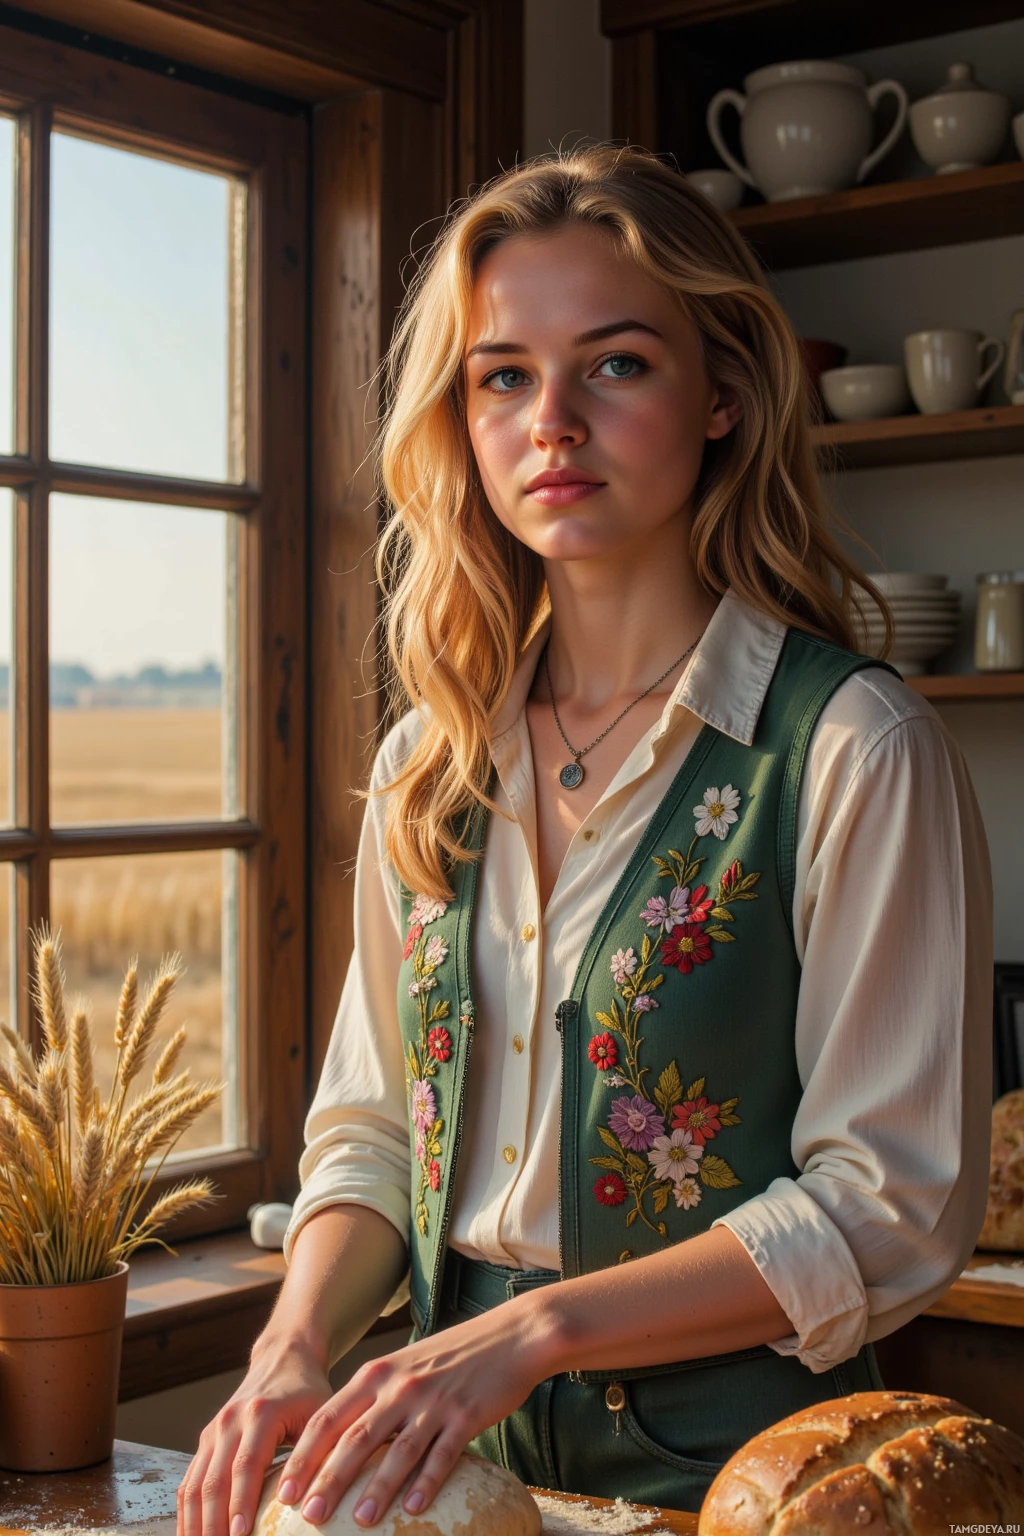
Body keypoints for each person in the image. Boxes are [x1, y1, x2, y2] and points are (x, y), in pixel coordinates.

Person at [178, 145, 993, 1536]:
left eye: (614, 364)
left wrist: (536, 1329)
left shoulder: (856, 749)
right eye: (502, 375)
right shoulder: (430, 762)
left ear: (722, 392)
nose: (550, 419)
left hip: (747, 1488)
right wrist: (292, 1349)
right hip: (445, 1476)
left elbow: (892, 1206)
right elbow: (377, 1134)